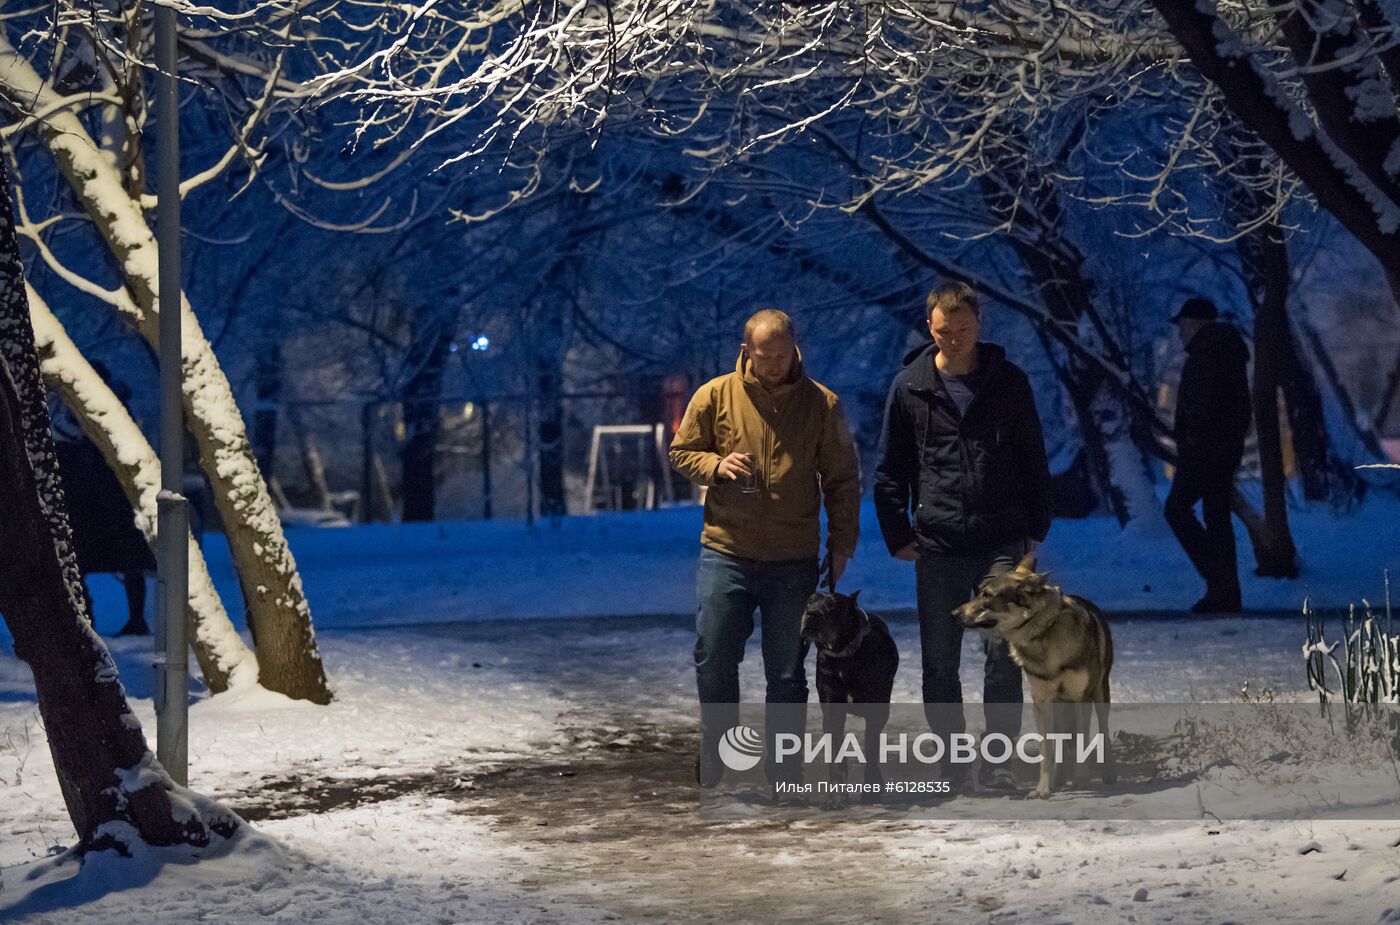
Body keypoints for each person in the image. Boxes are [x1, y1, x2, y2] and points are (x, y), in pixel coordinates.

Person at [669, 309, 861, 790]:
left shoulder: (822, 404)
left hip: (793, 558)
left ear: (795, 349)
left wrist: (842, 545)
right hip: (726, 549)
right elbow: (680, 451)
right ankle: (718, 753)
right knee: (713, 655)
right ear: (745, 351)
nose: (774, 364)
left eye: (782, 355)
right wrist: (714, 464)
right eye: (764, 355)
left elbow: (841, 480)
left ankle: (785, 767)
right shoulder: (715, 396)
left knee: (787, 669)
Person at [873, 282, 1052, 791]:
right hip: (939, 540)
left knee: (1001, 652)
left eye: (963, 329)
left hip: (1003, 537)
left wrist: (1036, 526)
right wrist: (897, 533)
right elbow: (890, 469)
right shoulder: (909, 386)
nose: (954, 339)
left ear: (980, 326)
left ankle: (997, 761)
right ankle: (952, 761)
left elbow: (1033, 457)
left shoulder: (1009, 382)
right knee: (940, 660)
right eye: (943, 330)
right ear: (930, 329)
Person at [1165, 297, 1251, 614]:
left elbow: (1203, 405)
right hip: (1221, 448)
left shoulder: (1207, 353)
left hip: (1206, 449)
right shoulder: (1222, 349)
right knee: (1216, 517)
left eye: (1183, 325)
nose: (1180, 333)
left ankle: (1221, 582)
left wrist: (1191, 440)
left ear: (1197, 323)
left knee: (1177, 509)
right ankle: (1225, 590)